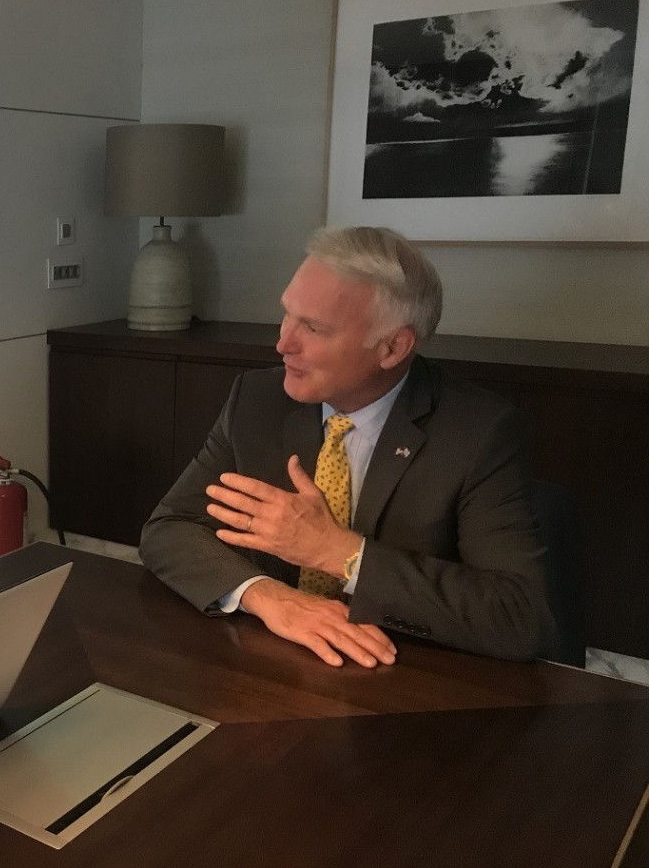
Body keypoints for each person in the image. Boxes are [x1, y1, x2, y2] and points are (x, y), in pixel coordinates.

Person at [140, 227, 555, 668]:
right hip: (273, 659)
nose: (283, 344)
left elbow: (518, 618)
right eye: (287, 314)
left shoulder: (478, 432)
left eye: (313, 327)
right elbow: (169, 528)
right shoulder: (257, 399)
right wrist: (268, 596)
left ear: (392, 347)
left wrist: (339, 552)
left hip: (403, 672)